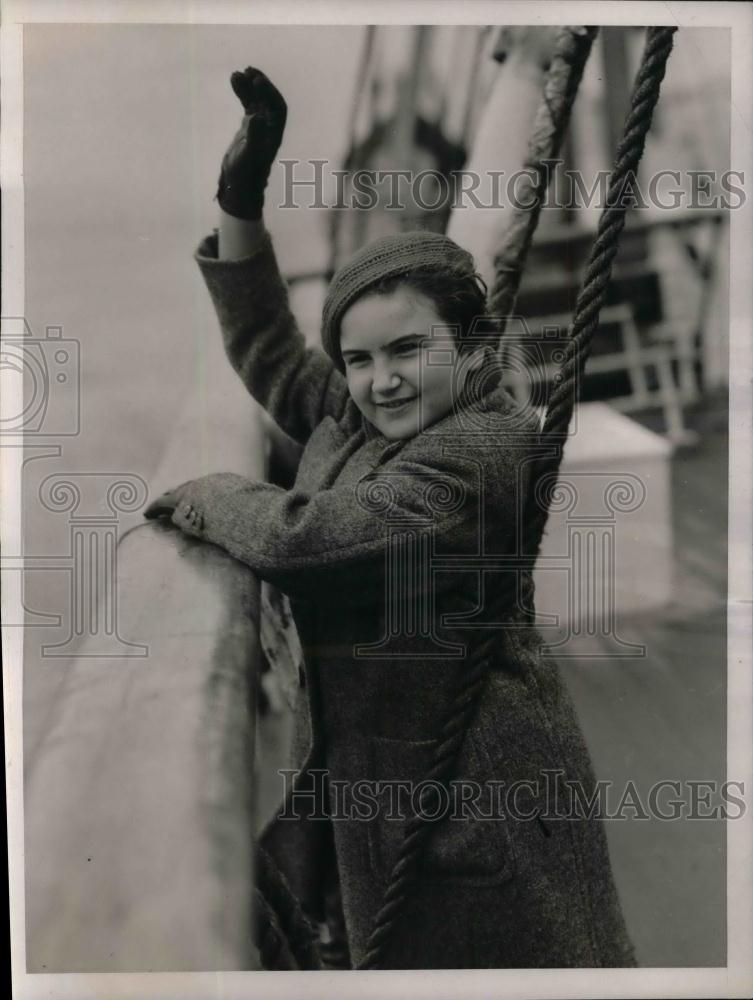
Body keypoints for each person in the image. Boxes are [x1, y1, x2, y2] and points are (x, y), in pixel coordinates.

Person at [145, 65, 637, 970]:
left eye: (408, 348)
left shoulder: (479, 453)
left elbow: (311, 539)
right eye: (360, 359)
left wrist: (209, 494)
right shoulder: (381, 414)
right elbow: (275, 355)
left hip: (478, 825)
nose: (381, 380)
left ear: (474, 344)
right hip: (391, 803)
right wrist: (241, 202)